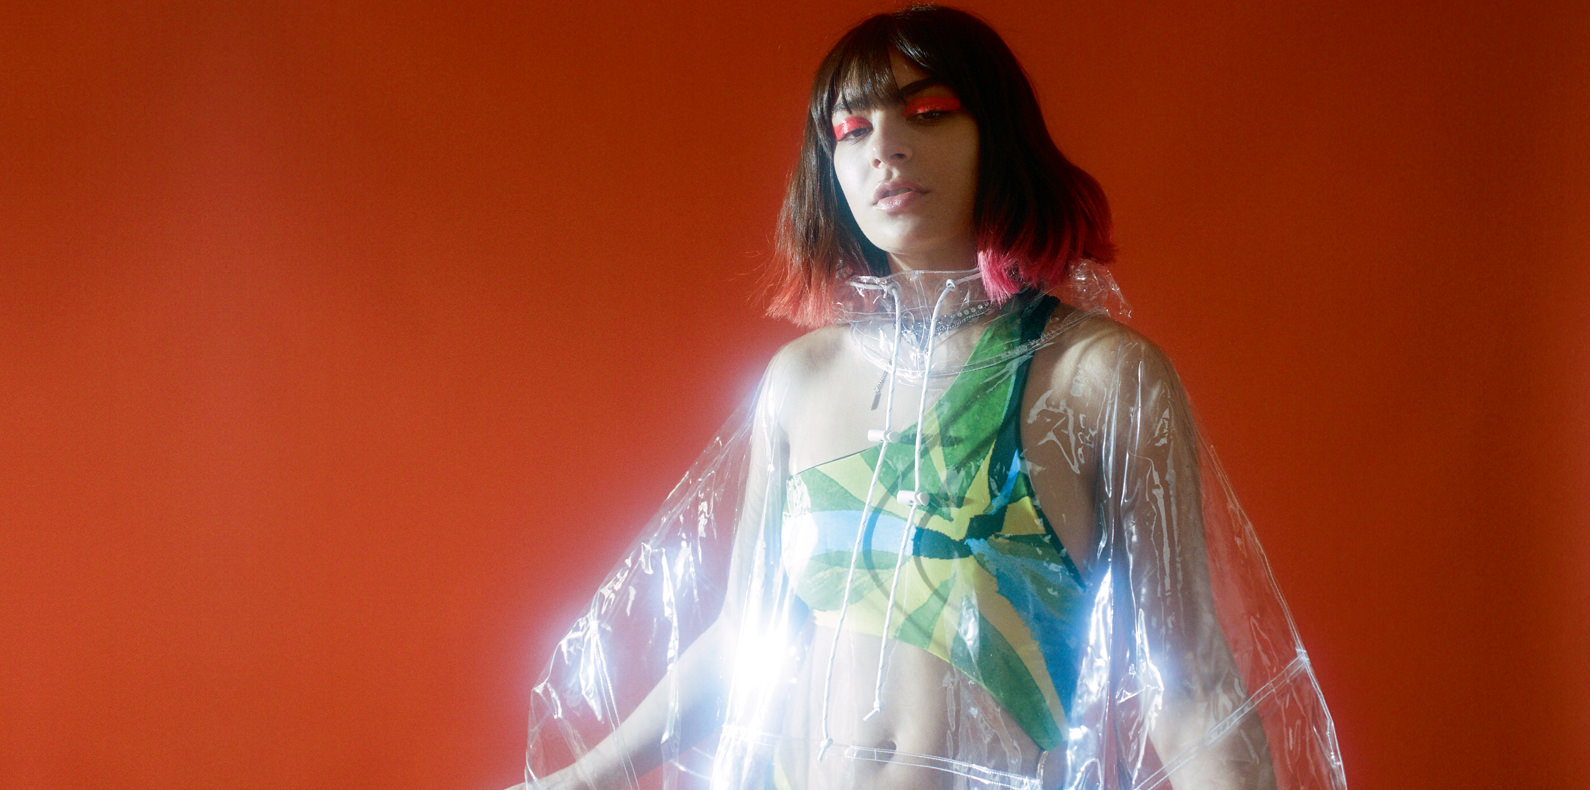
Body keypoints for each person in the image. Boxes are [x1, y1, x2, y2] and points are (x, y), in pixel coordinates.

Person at [518, 6, 1344, 789]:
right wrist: (580, 779)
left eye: (929, 113)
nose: (885, 148)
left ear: (998, 135)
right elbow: (748, 637)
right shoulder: (801, 382)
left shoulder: (1098, 378)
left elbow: (1188, 682)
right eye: (851, 129)